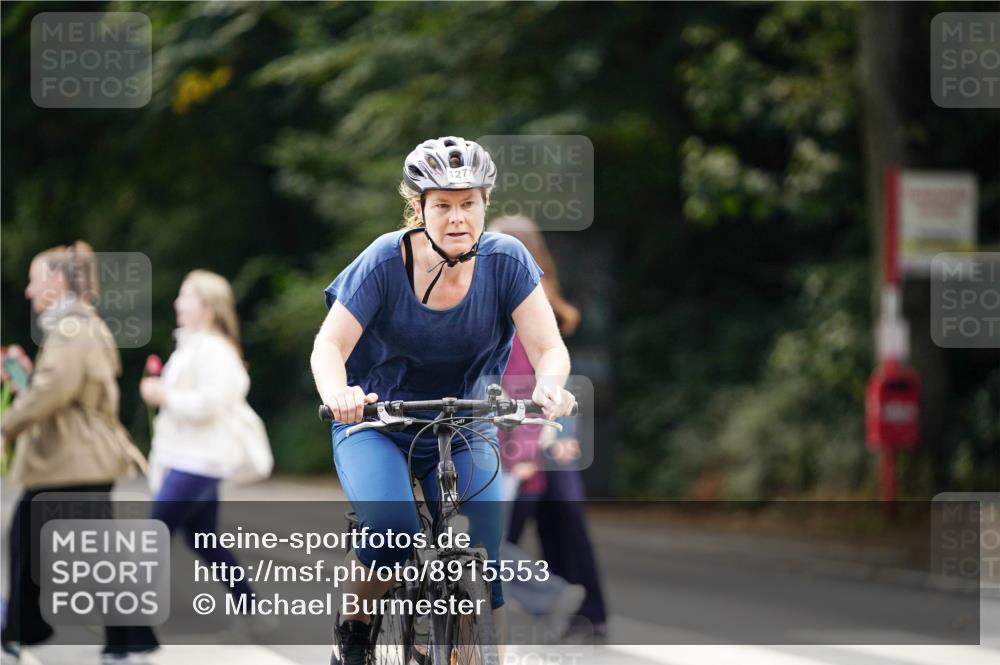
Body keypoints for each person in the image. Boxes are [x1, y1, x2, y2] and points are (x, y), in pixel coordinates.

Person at [311, 136, 577, 665]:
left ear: (485, 205)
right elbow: (328, 346)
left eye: (468, 204)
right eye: (442, 205)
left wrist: (549, 384)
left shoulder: (507, 261)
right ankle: (357, 629)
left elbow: (549, 348)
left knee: (485, 559)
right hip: (377, 422)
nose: (457, 218)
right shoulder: (385, 261)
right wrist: (338, 393)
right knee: (392, 533)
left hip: (463, 423)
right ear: (420, 208)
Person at [0, 242, 158, 664]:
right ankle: (27, 629)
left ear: (54, 281)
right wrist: (27, 388)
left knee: (61, 547)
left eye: (34, 281)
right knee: (71, 548)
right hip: (72, 460)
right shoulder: (76, 325)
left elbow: (54, 391)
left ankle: (23, 630)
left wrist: (7, 422)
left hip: (73, 460)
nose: (29, 292)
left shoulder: (70, 327)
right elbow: (56, 386)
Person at [488, 216, 609, 641]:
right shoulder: (531, 295)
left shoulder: (520, 299)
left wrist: (533, 445)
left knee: (492, 539)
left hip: (530, 438)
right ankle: (580, 611)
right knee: (559, 529)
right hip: (540, 434)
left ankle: (566, 604)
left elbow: (533, 377)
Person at [139, 270, 273, 619]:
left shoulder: (215, 350)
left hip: (199, 461)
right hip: (191, 458)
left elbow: (209, 404)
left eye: (185, 296)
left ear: (208, 306)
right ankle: (253, 612)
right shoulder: (194, 346)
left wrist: (162, 394)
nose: (177, 303)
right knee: (202, 540)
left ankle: (122, 621)